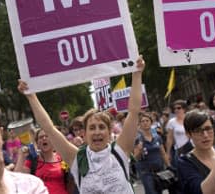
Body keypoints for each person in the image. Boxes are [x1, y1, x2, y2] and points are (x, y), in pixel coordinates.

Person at [18, 56, 145, 194]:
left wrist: (136, 73)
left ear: (109, 132)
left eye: (102, 127)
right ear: (84, 133)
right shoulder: (76, 158)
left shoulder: (120, 150)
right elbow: (48, 128)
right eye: (92, 128)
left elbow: (133, 112)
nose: (97, 132)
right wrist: (31, 96)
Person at [14, 128, 70, 194]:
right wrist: (21, 155)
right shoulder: (33, 161)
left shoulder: (62, 159)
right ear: (37, 143)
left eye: (47, 136)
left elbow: (70, 183)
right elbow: (17, 179)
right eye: (40, 137)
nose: (44, 138)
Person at [133, 112, 170, 194]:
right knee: (151, 192)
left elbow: (163, 153)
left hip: (159, 170)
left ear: (151, 122)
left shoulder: (157, 137)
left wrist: (169, 166)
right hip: (146, 172)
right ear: (140, 124)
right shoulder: (138, 139)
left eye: (147, 120)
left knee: (159, 191)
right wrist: (139, 149)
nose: (145, 123)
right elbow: (135, 158)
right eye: (143, 121)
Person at [165, 99, 191, 165]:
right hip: (180, 150)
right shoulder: (171, 122)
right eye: (175, 108)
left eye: (179, 108)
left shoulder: (190, 118)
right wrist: (168, 153)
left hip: (192, 148)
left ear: (184, 109)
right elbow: (169, 138)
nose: (176, 110)